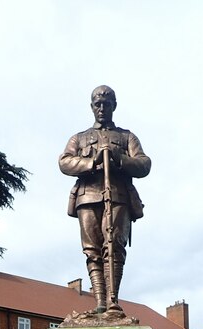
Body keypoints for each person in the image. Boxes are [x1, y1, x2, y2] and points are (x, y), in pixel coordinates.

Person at [59, 85, 151, 313]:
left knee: (115, 247)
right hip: (87, 197)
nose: (102, 108)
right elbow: (64, 162)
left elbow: (144, 163)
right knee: (92, 250)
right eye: (97, 104)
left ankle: (113, 300)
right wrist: (92, 162)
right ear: (91, 107)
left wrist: (120, 158)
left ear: (114, 106)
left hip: (118, 197)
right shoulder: (79, 138)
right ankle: (100, 301)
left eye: (106, 104)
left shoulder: (126, 137)